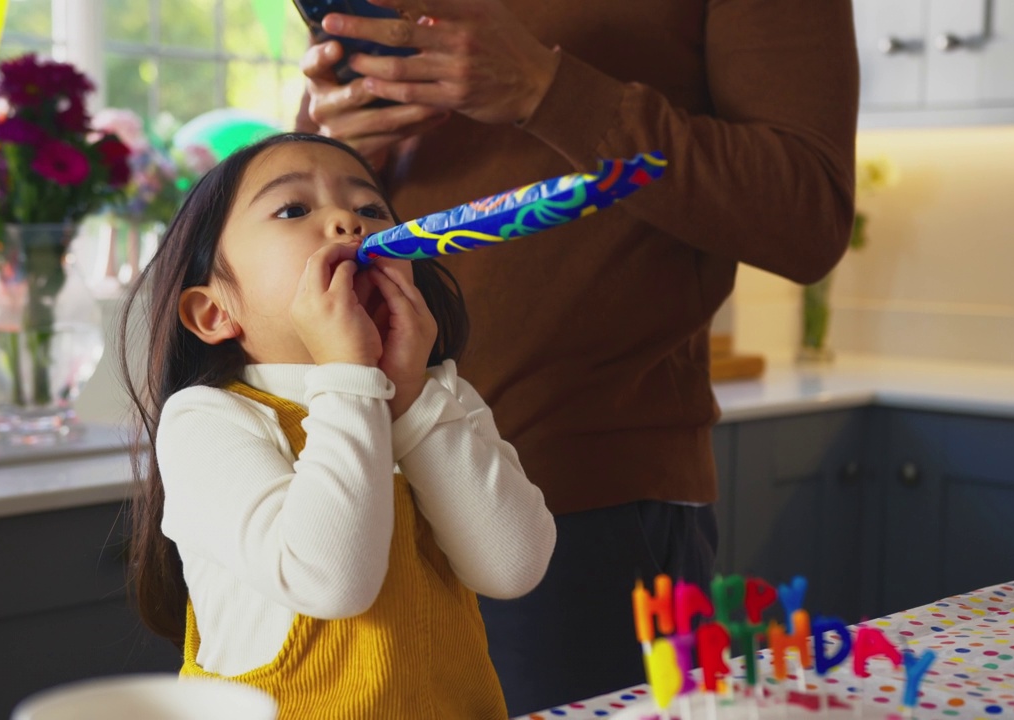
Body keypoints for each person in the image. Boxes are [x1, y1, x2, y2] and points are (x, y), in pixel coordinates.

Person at [297, 0, 859, 713]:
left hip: (579, 508)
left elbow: (806, 215)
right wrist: (329, 141)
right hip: (357, 496)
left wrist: (545, 90)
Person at [119, 132, 557, 719]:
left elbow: (512, 568)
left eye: (371, 209)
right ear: (215, 311)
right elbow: (331, 582)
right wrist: (348, 374)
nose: (348, 223)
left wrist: (408, 396)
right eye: (294, 209)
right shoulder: (205, 420)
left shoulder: (436, 399)